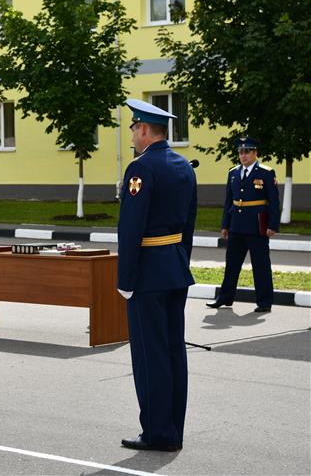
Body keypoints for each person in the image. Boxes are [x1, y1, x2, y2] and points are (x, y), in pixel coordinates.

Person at [117, 99, 197, 452]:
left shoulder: (141, 169)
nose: (132, 135)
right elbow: (190, 226)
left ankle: (157, 432)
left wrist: (125, 279)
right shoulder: (183, 166)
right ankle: (173, 429)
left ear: (145, 130)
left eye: (134, 129)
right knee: (173, 353)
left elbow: (130, 228)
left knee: (150, 355)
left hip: (148, 273)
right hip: (174, 268)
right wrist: (180, 261)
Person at [207, 136, 280, 313]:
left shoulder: (265, 172)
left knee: (260, 265)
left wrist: (273, 225)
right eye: (240, 152)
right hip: (237, 226)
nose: (243, 155)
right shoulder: (233, 173)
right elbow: (228, 202)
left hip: (256, 226)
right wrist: (225, 225)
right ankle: (225, 298)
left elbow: (274, 202)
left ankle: (264, 302)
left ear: (255, 153)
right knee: (231, 264)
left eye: (247, 151)